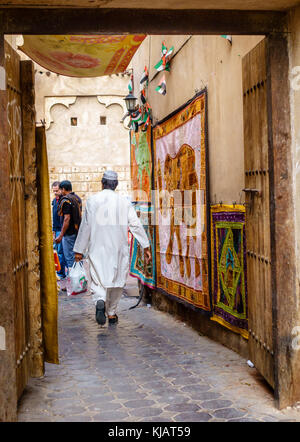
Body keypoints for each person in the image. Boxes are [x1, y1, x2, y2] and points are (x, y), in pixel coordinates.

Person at [73, 170, 151, 325]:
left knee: (98, 279)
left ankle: (100, 300)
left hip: (97, 247)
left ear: (102, 183)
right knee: (117, 281)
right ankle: (112, 313)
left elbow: (85, 226)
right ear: (116, 185)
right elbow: (135, 224)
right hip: (118, 248)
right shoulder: (124, 202)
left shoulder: (92, 201)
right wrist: (146, 245)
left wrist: (79, 250)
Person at [55, 180, 82, 272]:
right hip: (77, 232)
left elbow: (67, 219)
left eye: (60, 190)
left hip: (69, 233)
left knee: (70, 258)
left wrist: (61, 235)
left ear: (63, 189)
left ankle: (75, 281)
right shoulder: (77, 198)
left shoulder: (66, 200)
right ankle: (80, 279)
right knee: (77, 257)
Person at [52, 181, 68, 282]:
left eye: (57, 191)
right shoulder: (54, 201)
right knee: (58, 252)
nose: (55, 193)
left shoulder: (63, 201)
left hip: (62, 230)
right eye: (54, 191)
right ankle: (61, 272)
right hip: (56, 229)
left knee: (61, 252)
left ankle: (61, 273)